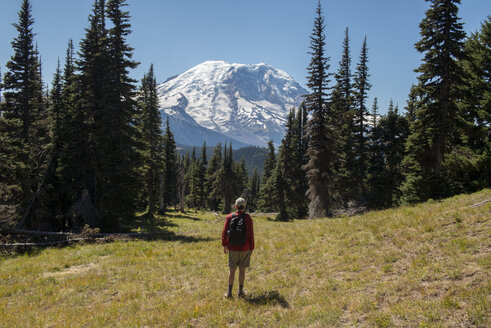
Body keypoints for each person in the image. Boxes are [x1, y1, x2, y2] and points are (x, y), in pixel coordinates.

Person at [221, 197, 254, 298]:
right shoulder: (248, 218)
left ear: (235, 206)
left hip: (232, 247)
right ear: (244, 207)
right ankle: (240, 292)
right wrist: (251, 248)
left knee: (232, 271)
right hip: (245, 248)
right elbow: (250, 235)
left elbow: (224, 232)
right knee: (242, 270)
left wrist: (225, 245)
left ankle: (229, 293)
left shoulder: (229, 217)